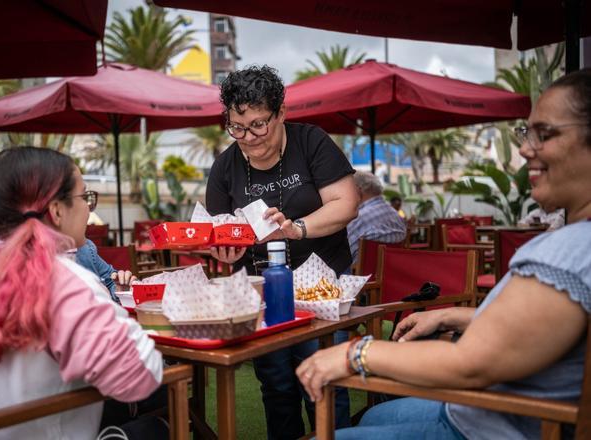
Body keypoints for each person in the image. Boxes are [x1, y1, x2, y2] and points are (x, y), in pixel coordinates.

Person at [296, 68, 591, 439]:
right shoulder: (577, 244)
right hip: (491, 410)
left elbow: (470, 365)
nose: (525, 148)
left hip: (498, 423)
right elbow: (539, 327)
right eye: (526, 133)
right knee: (370, 419)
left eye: (543, 134)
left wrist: (355, 353)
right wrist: (455, 314)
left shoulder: (568, 251)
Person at [0, 147, 165, 440]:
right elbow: (141, 375)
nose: (88, 208)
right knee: (157, 422)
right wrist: (109, 304)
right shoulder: (63, 280)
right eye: (85, 197)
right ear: (56, 210)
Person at [206, 65, 359, 439]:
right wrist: (225, 252)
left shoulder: (311, 143)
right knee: (276, 386)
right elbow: (220, 232)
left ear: (281, 113)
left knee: (324, 382)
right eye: (237, 128)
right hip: (262, 291)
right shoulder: (226, 166)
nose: (250, 137)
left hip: (321, 289)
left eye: (259, 124)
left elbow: (346, 202)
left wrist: (297, 228)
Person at [347, 172, 407, 264]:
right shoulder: (397, 215)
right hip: (391, 273)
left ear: (358, 190)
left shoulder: (357, 219)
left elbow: (344, 253)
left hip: (359, 276)